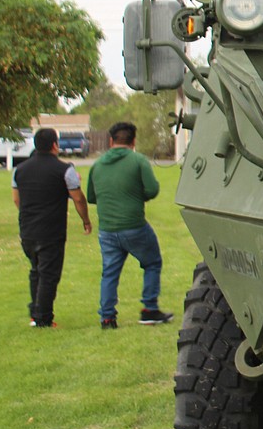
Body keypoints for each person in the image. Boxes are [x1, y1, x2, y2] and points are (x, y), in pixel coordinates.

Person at [86, 121, 173, 328]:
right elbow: (152, 190)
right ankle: (149, 309)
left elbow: (91, 196)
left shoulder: (97, 165)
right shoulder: (138, 161)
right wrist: (136, 195)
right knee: (152, 263)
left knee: (109, 272)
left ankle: (107, 317)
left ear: (110, 141)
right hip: (134, 226)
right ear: (133, 141)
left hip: (107, 229)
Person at [12, 127, 92, 328]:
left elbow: (17, 199)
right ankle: (43, 318)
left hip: (27, 230)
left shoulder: (19, 170)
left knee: (36, 270)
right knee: (49, 275)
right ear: (55, 145)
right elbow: (78, 198)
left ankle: (35, 312)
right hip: (51, 231)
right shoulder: (65, 169)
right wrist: (85, 220)